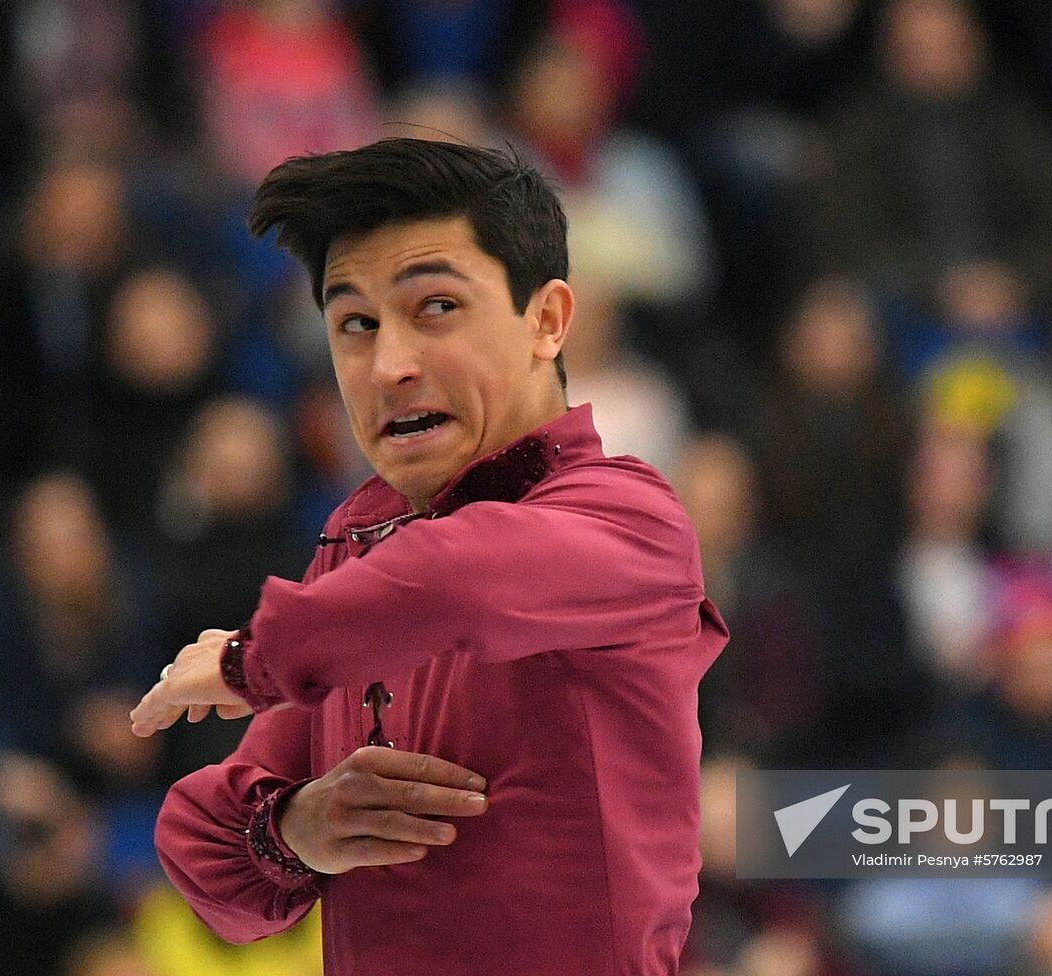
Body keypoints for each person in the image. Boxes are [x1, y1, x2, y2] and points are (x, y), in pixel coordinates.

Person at [128, 138, 729, 976]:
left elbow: (459, 580)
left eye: (435, 308)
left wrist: (249, 660)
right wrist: (298, 827)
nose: (389, 367)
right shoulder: (356, 546)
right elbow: (202, 847)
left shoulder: (628, 518)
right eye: (354, 325)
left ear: (549, 321)